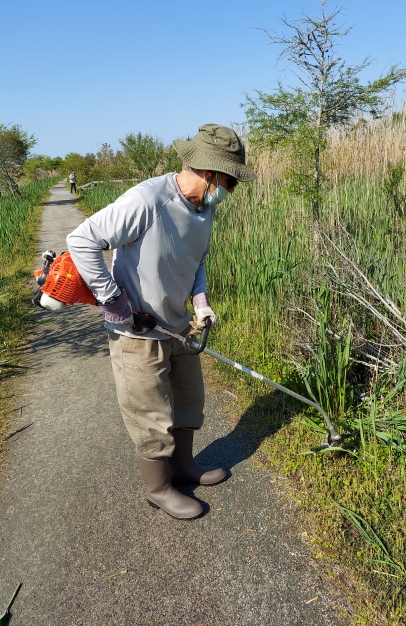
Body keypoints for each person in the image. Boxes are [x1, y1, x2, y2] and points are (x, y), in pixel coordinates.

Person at [67, 124, 256, 520]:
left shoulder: (205, 206)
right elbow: (82, 240)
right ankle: (159, 489)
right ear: (211, 173)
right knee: (150, 413)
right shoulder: (147, 200)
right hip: (136, 331)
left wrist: (200, 302)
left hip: (178, 326)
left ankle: (184, 466)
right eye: (231, 182)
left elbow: (197, 261)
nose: (231, 190)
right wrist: (114, 302)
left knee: (189, 399)